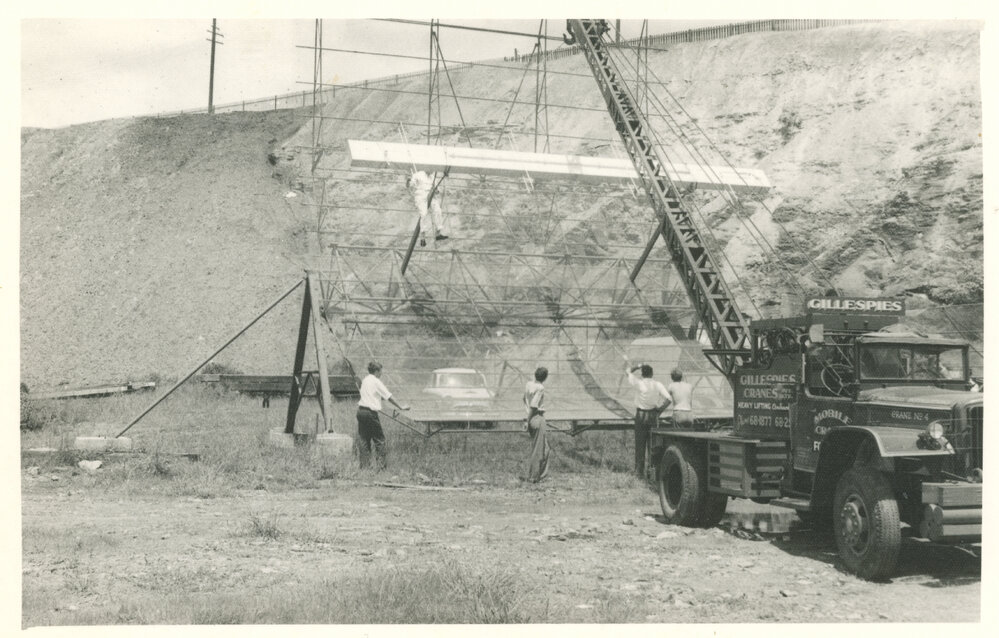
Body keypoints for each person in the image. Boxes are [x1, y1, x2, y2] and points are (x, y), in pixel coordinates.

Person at [356, 361, 410, 470]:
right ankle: (381, 468)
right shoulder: (376, 382)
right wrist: (401, 407)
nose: (381, 374)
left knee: (364, 440)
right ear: (376, 371)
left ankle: (365, 468)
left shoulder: (365, 380)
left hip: (361, 412)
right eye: (381, 371)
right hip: (370, 413)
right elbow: (389, 396)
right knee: (379, 440)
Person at [626, 360, 671, 478]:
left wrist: (638, 365)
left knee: (640, 445)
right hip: (652, 415)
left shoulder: (639, 383)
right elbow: (669, 399)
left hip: (641, 415)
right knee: (653, 445)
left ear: (642, 374)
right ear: (652, 374)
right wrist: (659, 411)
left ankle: (639, 472)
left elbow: (628, 371)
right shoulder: (657, 384)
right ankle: (653, 473)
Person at [406, 170, 448, 247]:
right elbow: (410, 185)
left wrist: (436, 191)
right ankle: (423, 238)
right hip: (421, 196)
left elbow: (437, 190)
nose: (431, 171)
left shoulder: (433, 178)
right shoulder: (418, 175)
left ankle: (438, 233)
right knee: (424, 214)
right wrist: (409, 180)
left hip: (431, 195)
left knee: (438, 211)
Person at [524, 366, 551, 483]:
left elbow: (524, 399)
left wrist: (527, 419)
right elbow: (534, 405)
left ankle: (540, 475)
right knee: (538, 449)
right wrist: (527, 420)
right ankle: (534, 477)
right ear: (545, 377)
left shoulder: (528, 384)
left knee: (545, 448)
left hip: (532, 418)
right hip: (536, 417)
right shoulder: (540, 388)